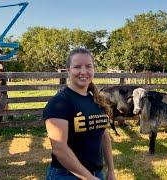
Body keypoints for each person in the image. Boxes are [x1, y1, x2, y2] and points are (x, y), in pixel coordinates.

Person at [44, 48, 116, 180]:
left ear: (94, 69)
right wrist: (89, 177)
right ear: (68, 70)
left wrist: (111, 170)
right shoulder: (59, 103)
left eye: (88, 66)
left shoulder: (96, 100)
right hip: (66, 175)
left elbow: (103, 134)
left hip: (96, 173)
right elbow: (59, 149)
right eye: (77, 67)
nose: (83, 71)